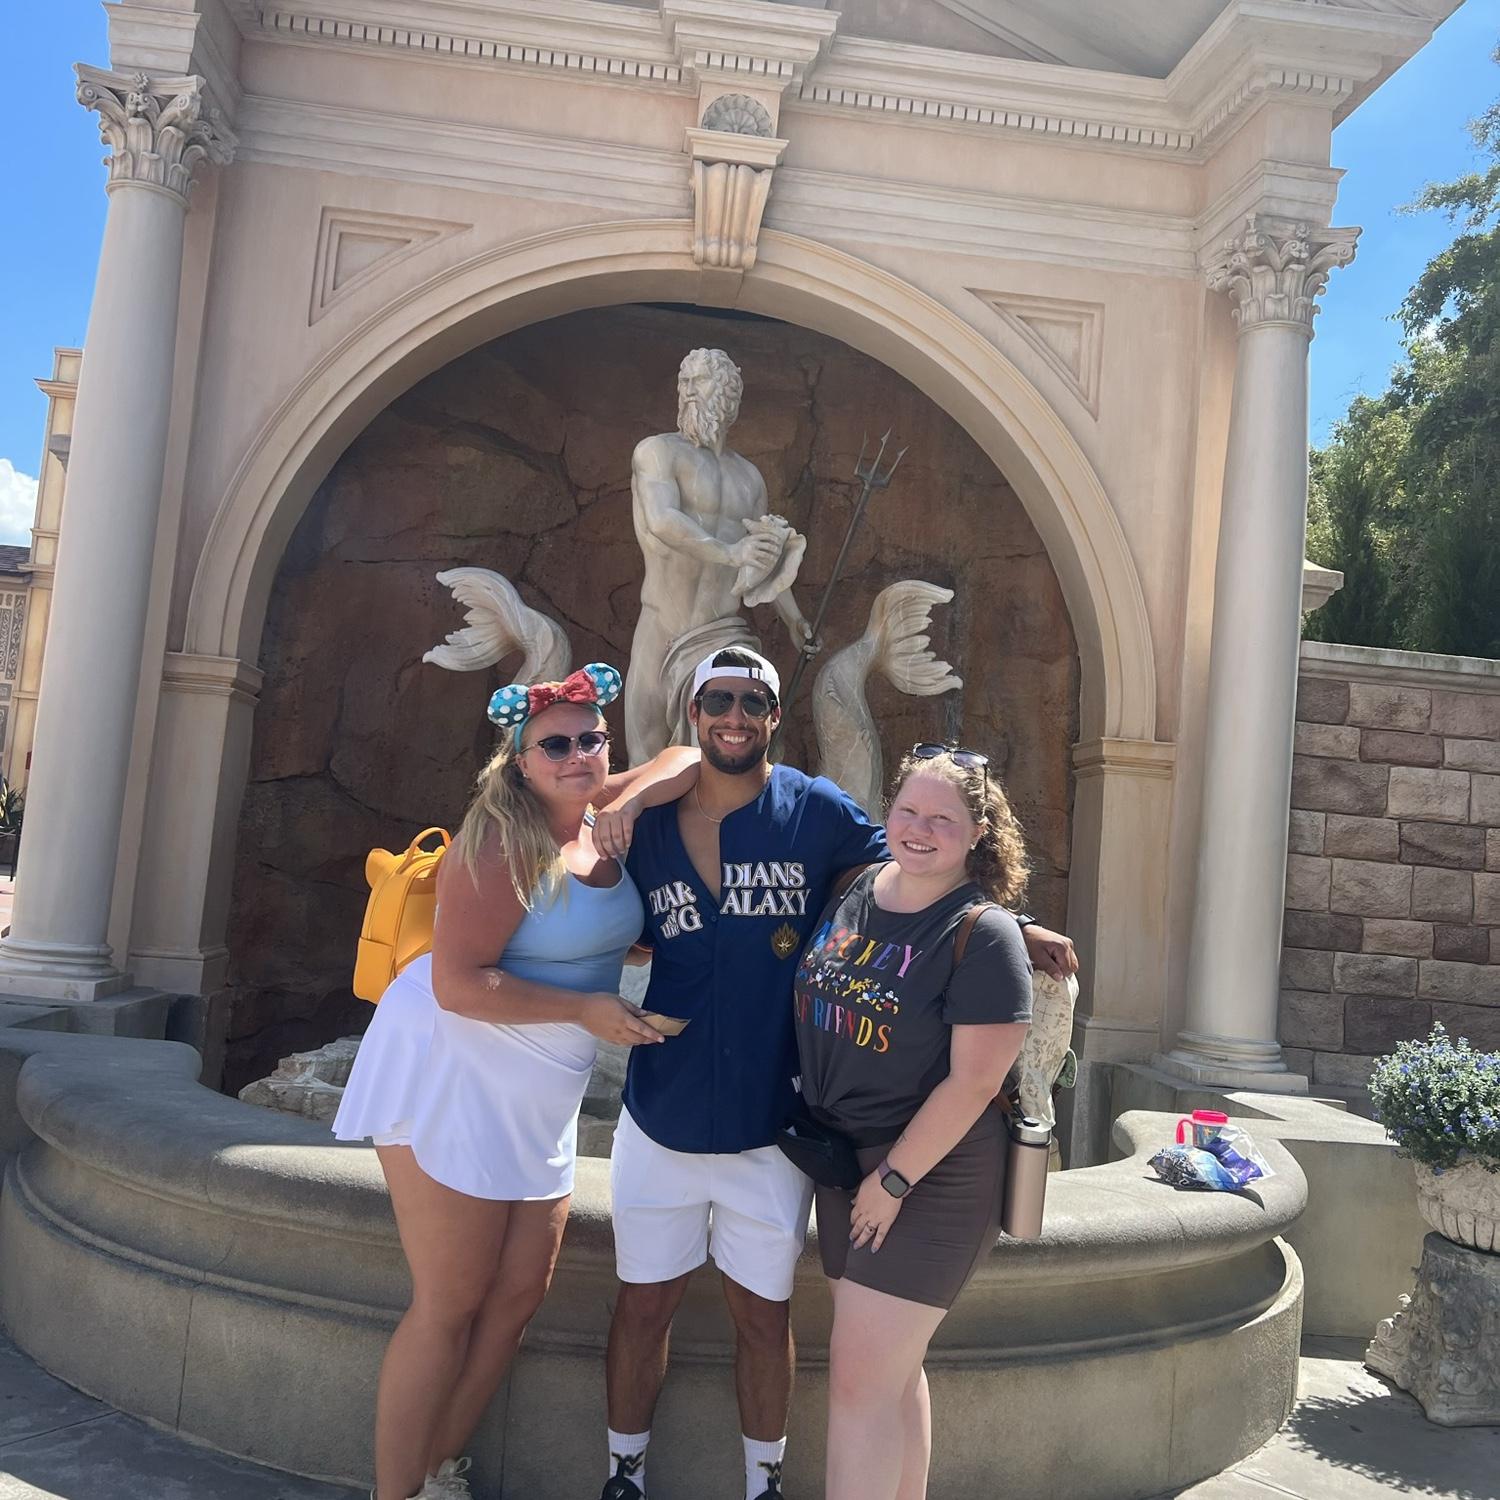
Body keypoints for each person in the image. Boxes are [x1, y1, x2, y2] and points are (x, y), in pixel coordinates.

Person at [596, 647, 1077, 1500]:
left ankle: (765, 1484)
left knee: (767, 1317)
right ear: (693, 710)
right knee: (642, 1303)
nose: (734, 715)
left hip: (776, 1128)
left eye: (753, 700)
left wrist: (1015, 921)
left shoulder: (813, 811)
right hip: (665, 1110)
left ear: (776, 717)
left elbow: (931, 869)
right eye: (717, 700)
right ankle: (624, 1473)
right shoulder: (651, 823)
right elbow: (590, 852)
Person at [333, 663, 693, 1500]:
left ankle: (435, 1472)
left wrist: (632, 803)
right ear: (521, 761)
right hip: (456, 1060)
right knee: (450, 1300)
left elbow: (683, 755)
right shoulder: (498, 840)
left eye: (591, 739)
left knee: (517, 1297)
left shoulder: (608, 811)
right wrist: (585, 1010)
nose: (577, 755)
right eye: (554, 745)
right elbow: (461, 984)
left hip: (544, 1081)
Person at [795, 744, 1034, 1500]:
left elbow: (974, 1083)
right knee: (891, 1377)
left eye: (943, 818)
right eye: (907, 810)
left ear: (978, 834)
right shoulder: (861, 887)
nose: (920, 828)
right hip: (849, 1164)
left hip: (928, 1175)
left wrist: (893, 1180)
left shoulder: (984, 933)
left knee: (858, 1387)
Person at [626, 347, 816, 763]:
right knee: (645, 753)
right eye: (684, 382)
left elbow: (762, 556)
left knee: (719, 759)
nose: (689, 390)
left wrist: (792, 617)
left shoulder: (749, 478)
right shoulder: (657, 452)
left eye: (701, 380)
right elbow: (662, 520)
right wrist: (730, 552)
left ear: (729, 393)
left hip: (724, 634)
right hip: (662, 624)